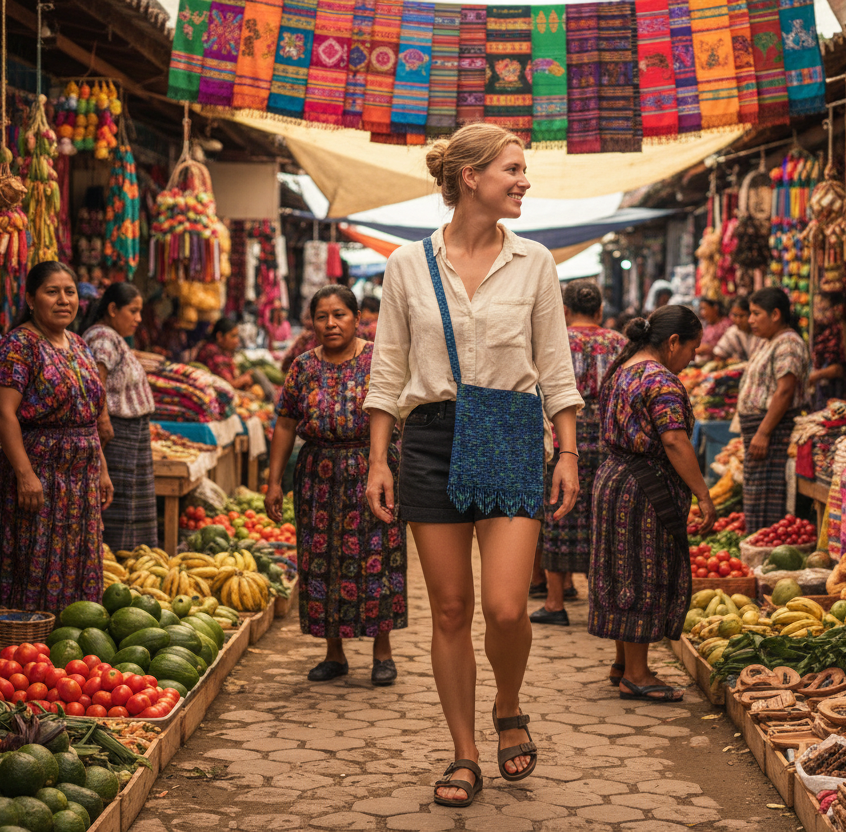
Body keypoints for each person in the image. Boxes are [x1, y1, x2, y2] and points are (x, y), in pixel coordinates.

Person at [364, 123, 583, 808]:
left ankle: (508, 705)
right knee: (453, 609)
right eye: (512, 169)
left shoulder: (536, 262)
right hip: (429, 437)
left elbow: (556, 366)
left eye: (522, 171)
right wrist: (379, 458)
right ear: (470, 177)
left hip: (513, 433)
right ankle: (463, 753)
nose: (523, 181)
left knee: (506, 605)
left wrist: (568, 449)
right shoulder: (406, 265)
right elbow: (388, 369)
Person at [265, 285, 407, 686]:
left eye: (339, 314)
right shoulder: (303, 367)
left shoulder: (380, 359)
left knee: (379, 556)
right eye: (322, 316)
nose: (330, 323)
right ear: (312, 322)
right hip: (319, 475)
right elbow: (287, 423)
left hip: (373, 467)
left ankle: (383, 653)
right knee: (321, 560)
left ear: (356, 317)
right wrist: (273, 481)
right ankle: (334, 653)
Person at [589, 306, 716, 700]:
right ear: (673, 341)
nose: (693, 358)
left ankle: (624, 663)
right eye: (692, 349)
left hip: (613, 481)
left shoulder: (621, 369)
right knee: (642, 573)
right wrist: (703, 493)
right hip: (644, 489)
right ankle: (638, 675)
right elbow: (675, 440)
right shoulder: (660, 380)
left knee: (621, 570)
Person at [0, 262, 114, 612]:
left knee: (80, 559)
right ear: (30, 298)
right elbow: (3, 413)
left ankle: (74, 650)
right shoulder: (17, 346)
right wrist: (25, 475)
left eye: (70, 291)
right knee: (37, 562)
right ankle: (30, 650)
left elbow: (88, 414)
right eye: (52, 291)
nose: (63, 300)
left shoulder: (77, 344)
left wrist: (101, 469)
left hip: (82, 478)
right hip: (41, 475)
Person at [530, 280, 627, 627]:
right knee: (602, 516)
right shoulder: (619, 342)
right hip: (607, 436)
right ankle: (601, 602)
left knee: (559, 512)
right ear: (600, 310)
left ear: (565, 311)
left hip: (562, 435)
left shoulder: (555, 340)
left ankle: (556, 601)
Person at [83, 283, 157, 551]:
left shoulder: (112, 337)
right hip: (117, 433)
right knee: (120, 506)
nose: (138, 318)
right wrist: (102, 422)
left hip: (128, 433)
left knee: (131, 503)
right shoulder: (103, 337)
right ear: (113, 309)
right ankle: (115, 559)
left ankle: (131, 561)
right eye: (133, 311)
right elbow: (95, 384)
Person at [736, 288, 810, 532]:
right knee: (757, 495)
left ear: (776, 314)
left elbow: (785, 391)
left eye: (756, 314)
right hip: (761, 429)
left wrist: (764, 432)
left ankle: (769, 549)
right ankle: (759, 545)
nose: (750, 320)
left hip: (774, 431)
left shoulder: (788, 343)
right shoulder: (769, 342)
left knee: (769, 495)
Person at [195, 317, 255, 390]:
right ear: (220, 336)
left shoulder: (223, 351)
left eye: (237, 336)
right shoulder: (211, 351)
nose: (237, 340)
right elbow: (226, 385)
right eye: (233, 336)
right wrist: (243, 379)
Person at [712, 297, 762, 362]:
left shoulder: (760, 332)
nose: (738, 320)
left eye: (742, 316)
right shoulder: (732, 332)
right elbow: (719, 353)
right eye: (735, 315)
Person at [694, 296, 732, 361]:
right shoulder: (706, 326)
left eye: (704, 309)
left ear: (715, 308)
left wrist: (709, 348)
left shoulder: (726, 324)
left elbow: (728, 348)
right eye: (701, 310)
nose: (702, 313)